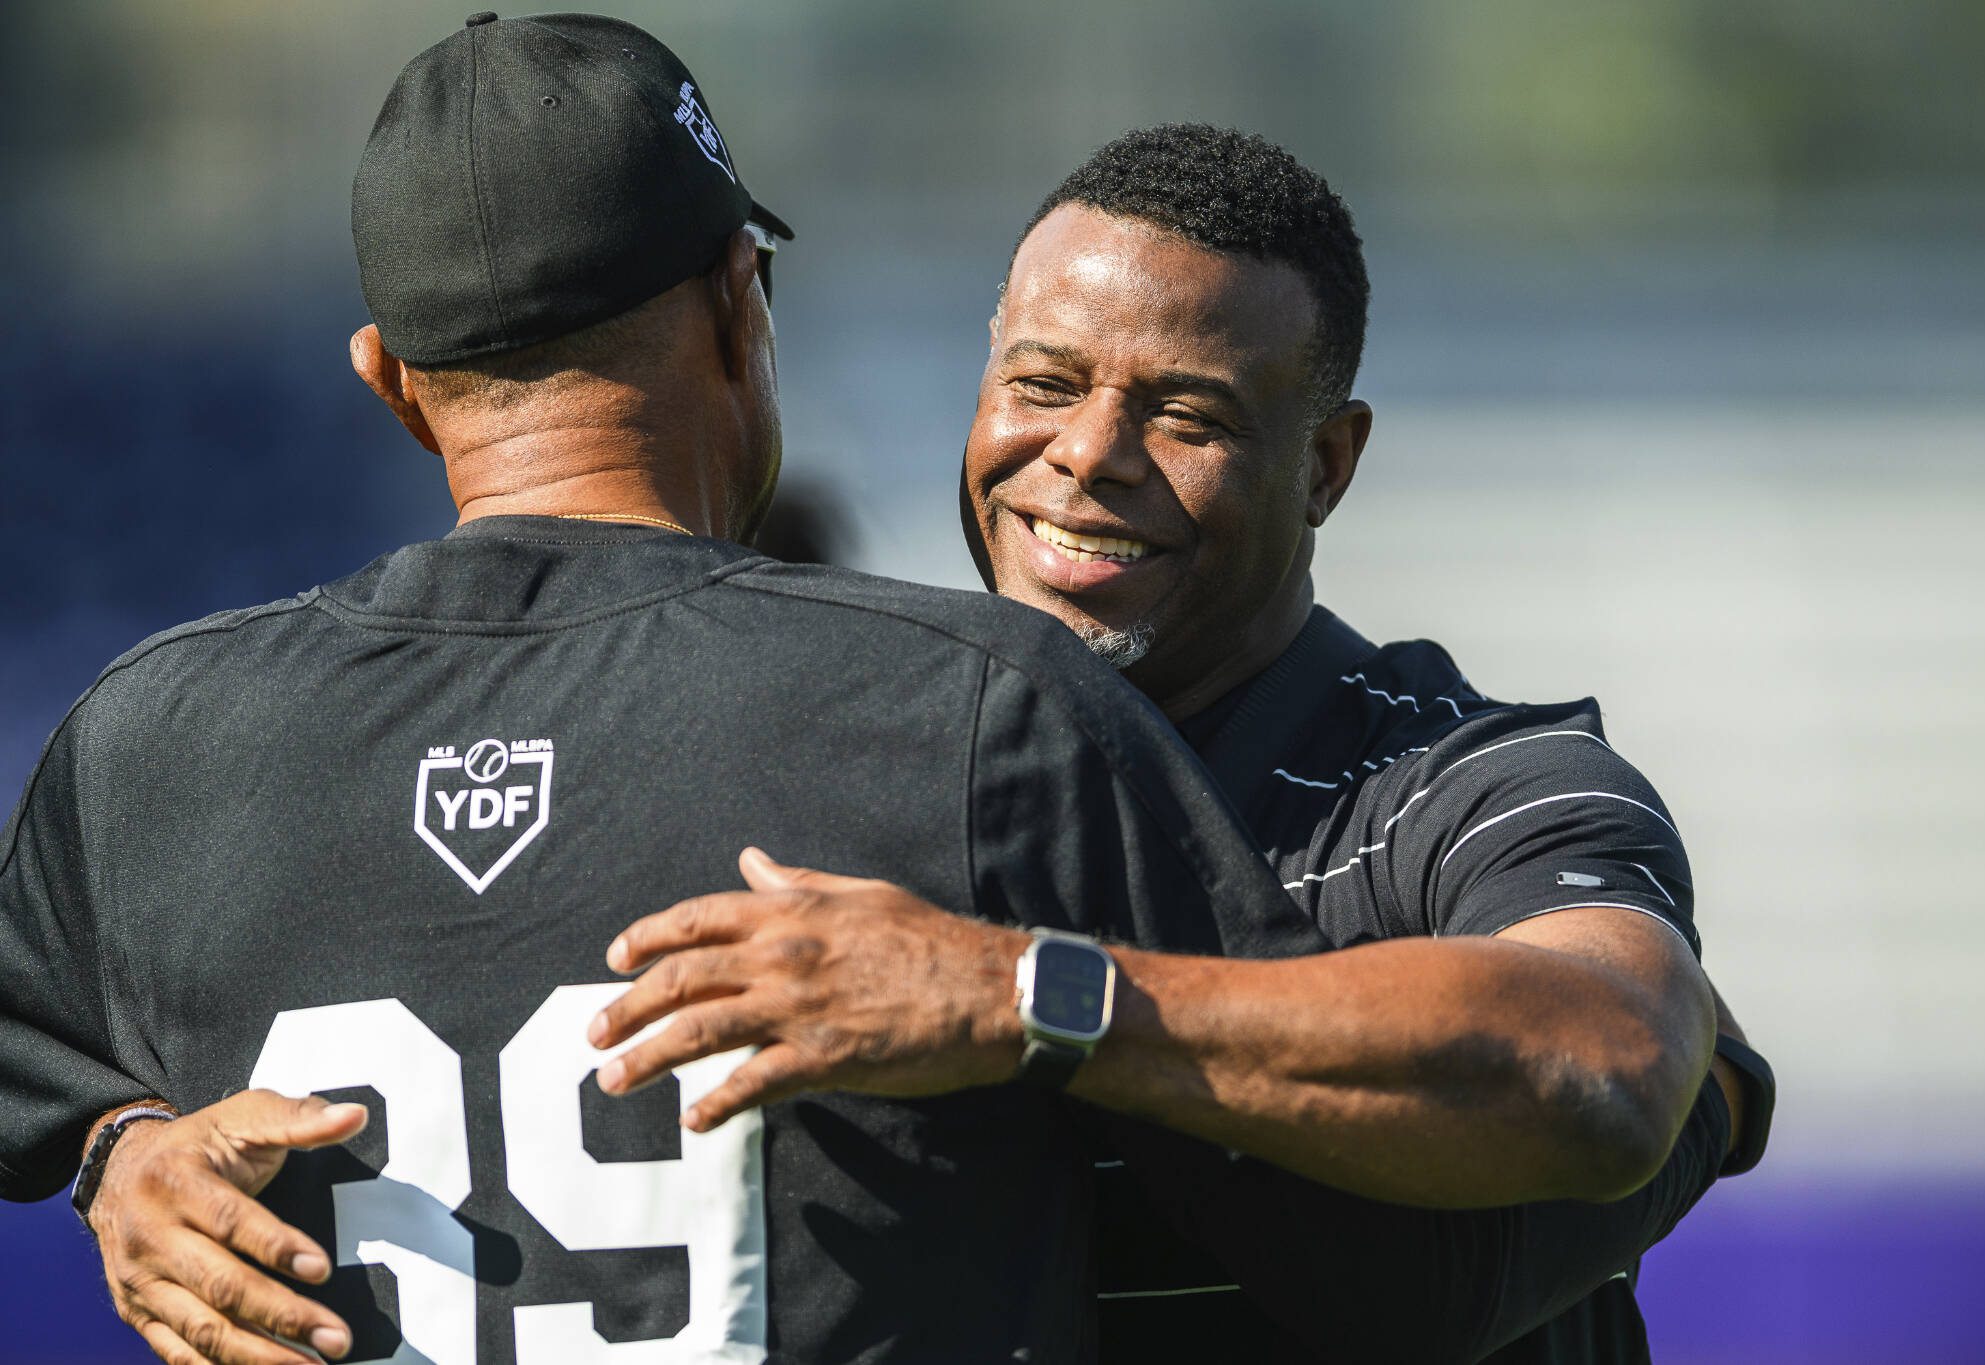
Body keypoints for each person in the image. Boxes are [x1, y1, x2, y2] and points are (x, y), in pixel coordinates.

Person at [0, 26, 1328, 1365]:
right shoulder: (983, 702)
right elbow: (1362, 1177)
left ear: (388, 378)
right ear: (738, 304)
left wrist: (115, 1152)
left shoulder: (146, 743)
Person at [576, 127, 1776, 1362]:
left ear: (1324, 464)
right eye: (1043, 385)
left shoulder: (1474, 790)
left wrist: (1015, 994)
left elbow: (1610, 1057)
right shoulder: (843, 772)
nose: (1088, 453)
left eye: (1186, 414)